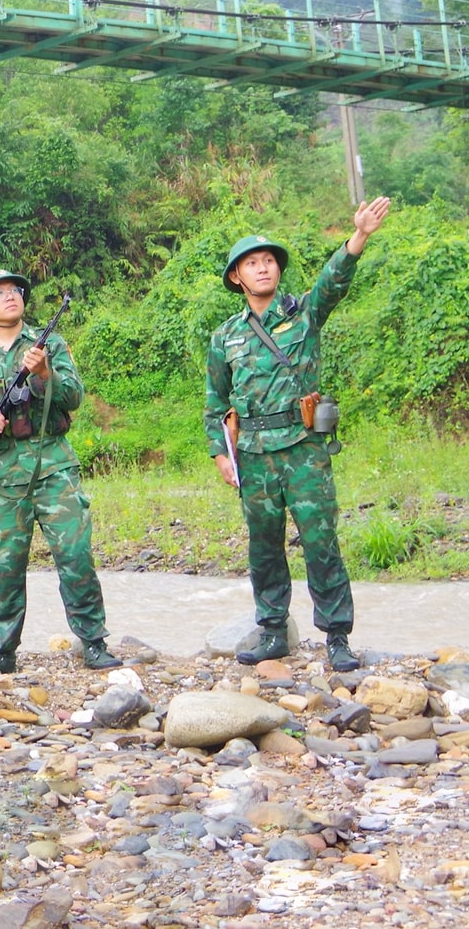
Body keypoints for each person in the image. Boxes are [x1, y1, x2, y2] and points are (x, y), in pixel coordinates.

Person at [205, 198, 392, 674]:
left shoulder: (304, 314)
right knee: (263, 544)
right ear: (237, 278)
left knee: (320, 540)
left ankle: (337, 637)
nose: (263, 268)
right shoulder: (225, 337)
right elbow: (214, 402)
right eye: (253, 263)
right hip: (252, 454)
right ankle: (272, 632)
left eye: (269, 261)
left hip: (303, 450)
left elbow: (334, 283)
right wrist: (219, 456)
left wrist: (359, 237)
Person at [0, 272, 118, 674]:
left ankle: (94, 643)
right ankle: (1, 653)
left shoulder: (49, 344)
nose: (10, 297)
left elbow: (74, 397)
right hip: (1, 476)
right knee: (5, 564)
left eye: (15, 291)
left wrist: (44, 374)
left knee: (75, 554)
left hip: (53, 463)